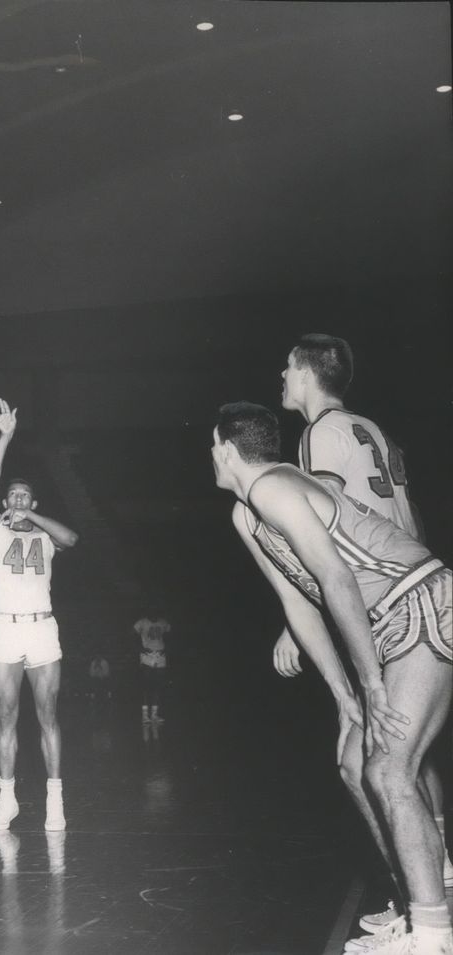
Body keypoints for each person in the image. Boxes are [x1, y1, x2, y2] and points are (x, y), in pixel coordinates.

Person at [212, 402, 451, 955]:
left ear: (227, 449)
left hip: (422, 601)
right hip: (386, 623)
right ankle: (421, 905)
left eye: (212, 447)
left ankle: (436, 935)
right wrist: (345, 696)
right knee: (353, 763)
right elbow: (300, 604)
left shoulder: (275, 486)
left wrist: (370, 683)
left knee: (390, 766)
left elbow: (337, 578)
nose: (211, 457)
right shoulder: (246, 513)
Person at [276, 333, 453, 906]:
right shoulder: (372, 430)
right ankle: (434, 877)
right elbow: (411, 518)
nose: (281, 376)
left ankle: (422, 903)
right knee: (403, 757)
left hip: (383, 602)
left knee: (366, 763)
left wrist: (293, 620)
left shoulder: (319, 434)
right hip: (418, 589)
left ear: (305, 374)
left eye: (286, 368)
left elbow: (317, 528)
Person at [0, 399, 79, 832]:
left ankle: (54, 801)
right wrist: (5, 436)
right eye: (12, 495)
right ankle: (8, 800)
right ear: (4, 502)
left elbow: (72, 538)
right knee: (6, 716)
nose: (17, 499)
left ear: (33, 500)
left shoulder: (45, 534)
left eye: (25, 495)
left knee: (48, 714)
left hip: (42, 627)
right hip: (4, 628)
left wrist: (33, 515)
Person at [134, 614, 170, 722]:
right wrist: (139, 647)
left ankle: (154, 715)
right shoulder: (142, 622)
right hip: (147, 655)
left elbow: (171, 635)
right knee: (146, 685)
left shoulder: (163, 621)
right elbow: (130, 633)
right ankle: (145, 716)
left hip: (160, 656)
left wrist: (167, 647)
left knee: (158, 685)